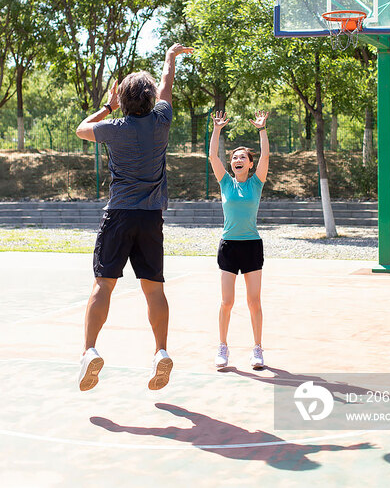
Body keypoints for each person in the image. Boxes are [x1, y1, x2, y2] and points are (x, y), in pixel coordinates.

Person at [75, 43, 193, 392]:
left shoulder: (114, 127)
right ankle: (159, 352)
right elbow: (167, 83)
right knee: (154, 289)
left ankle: (90, 350)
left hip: (119, 216)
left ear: (124, 101)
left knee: (103, 284)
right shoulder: (161, 122)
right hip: (150, 219)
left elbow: (82, 129)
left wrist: (107, 106)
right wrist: (170, 59)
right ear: (151, 98)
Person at [209, 109, 269, 370]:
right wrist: (217, 129)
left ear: (250, 163)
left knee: (254, 301)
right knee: (227, 302)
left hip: (251, 246)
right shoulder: (225, 183)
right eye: (234, 157)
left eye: (242, 157)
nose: (237, 159)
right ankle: (222, 347)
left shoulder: (256, 183)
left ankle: (257, 349)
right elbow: (212, 155)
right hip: (229, 246)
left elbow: (266, 154)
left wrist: (262, 129)